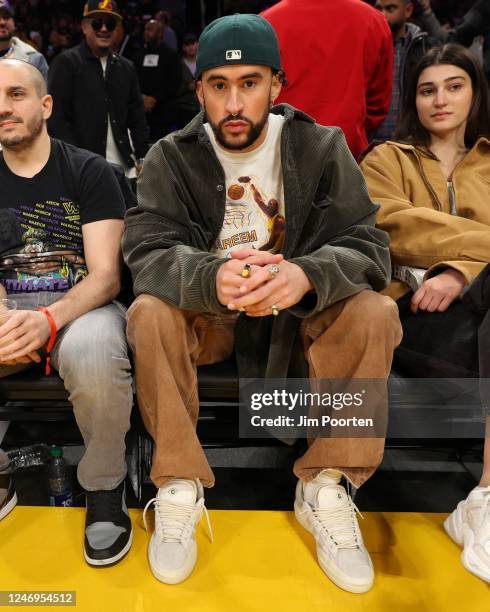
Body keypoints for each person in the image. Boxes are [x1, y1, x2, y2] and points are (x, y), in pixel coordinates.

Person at [123, 14, 401, 592]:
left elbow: (371, 248)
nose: (233, 101)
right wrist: (211, 277)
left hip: (294, 321)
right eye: (218, 85)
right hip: (211, 319)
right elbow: (146, 251)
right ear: (198, 89)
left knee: (377, 310)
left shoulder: (322, 147)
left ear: (277, 84)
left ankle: (326, 484)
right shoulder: (171, 156)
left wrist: (305, 274)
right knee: (148, 310)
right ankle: (177, 482)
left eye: (249, 83)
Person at [361, 43, 490, 584]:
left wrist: (463, 270)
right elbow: (393, 226)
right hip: (415, 319)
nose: (441, 99)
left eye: (454, 86)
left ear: (475, 93)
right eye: (427, 88)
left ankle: (483, 497)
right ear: (412, 100)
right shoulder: (385, 159)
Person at [0, 59, 133, 567]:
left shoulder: (88, 170)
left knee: (96, 348)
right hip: (12, 311)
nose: (4, 108)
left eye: (16, 94)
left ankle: (103, 489)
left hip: (82, 309)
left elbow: (106, 276)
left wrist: (48, 319)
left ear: (45, 104)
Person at [261, 0, 394, 160]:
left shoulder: (265, 24)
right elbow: (378, 105)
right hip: (347, 152)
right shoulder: (374, 20)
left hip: (282, 152)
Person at [48, 0, 149, 179]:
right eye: (97, 23)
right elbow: (57, 121)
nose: (103, 29)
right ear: (84, 27)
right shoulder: (66, 63)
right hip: (83, 170)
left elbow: (137, 116)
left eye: (110, 24)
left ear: (116, 30)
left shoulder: (126, 67)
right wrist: (76, 162)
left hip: (126, 169)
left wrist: (142, 156)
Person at [373, 0, 438, 142]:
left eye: (390, 8)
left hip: (410, 139)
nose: (382, 15)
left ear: (408, 10)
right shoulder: (366, 44)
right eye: (378, 8)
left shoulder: (421, 46)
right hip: (370, 139)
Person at [133, 19, 182, 142]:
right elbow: (133, 79)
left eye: (149, 29)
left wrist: (155, 98)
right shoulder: (138, 55)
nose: (145, 32)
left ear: (160, 33)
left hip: (164, 114)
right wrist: (143, 98)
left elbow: (174, 82)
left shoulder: (171, 55)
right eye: (145, 29)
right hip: (142, 112)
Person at [0, 0, 48, 82]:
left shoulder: (34, 59)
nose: (2, 22)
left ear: (14, 22)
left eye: (6, 17)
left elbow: (42, 93)